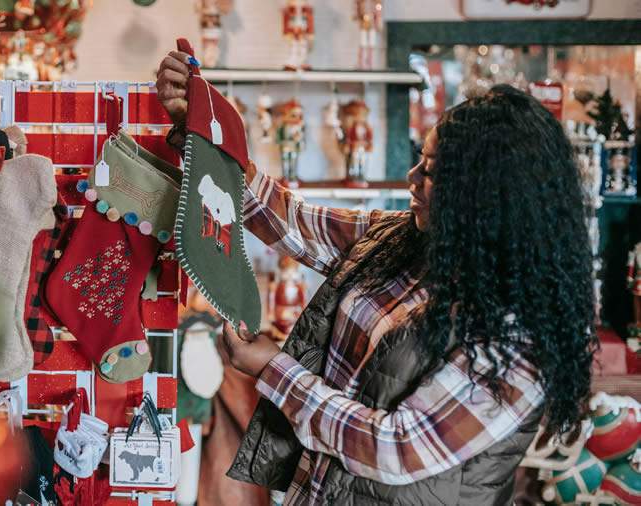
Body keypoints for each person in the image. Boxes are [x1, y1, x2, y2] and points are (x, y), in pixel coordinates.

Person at [156, 50, 597, 505]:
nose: (412, 177)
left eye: (431, 172)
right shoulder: (407, 239)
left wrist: (273, 370)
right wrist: (203, 130)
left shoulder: (517, 340)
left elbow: (395, 449)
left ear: (489, 196)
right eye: (419, 161)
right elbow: (292, 221)